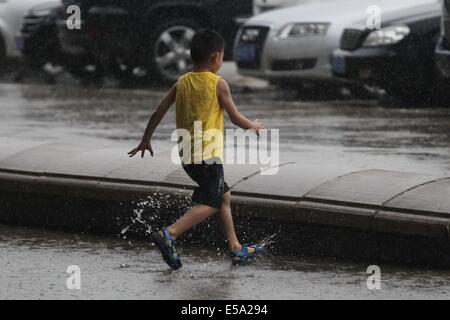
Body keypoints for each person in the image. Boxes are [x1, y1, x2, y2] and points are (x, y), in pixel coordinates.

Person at [128, 29, 265, 270]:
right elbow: (234, 117)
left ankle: (235, 248)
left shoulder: (182, 82)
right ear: (216, 57)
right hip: (209, 156)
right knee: (212, 202)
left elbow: (157, 111)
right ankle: (169, 234)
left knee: (223, 194)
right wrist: (252, 125)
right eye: (222, 56)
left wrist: (146, 139)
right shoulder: (218, 83)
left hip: (188, 156)